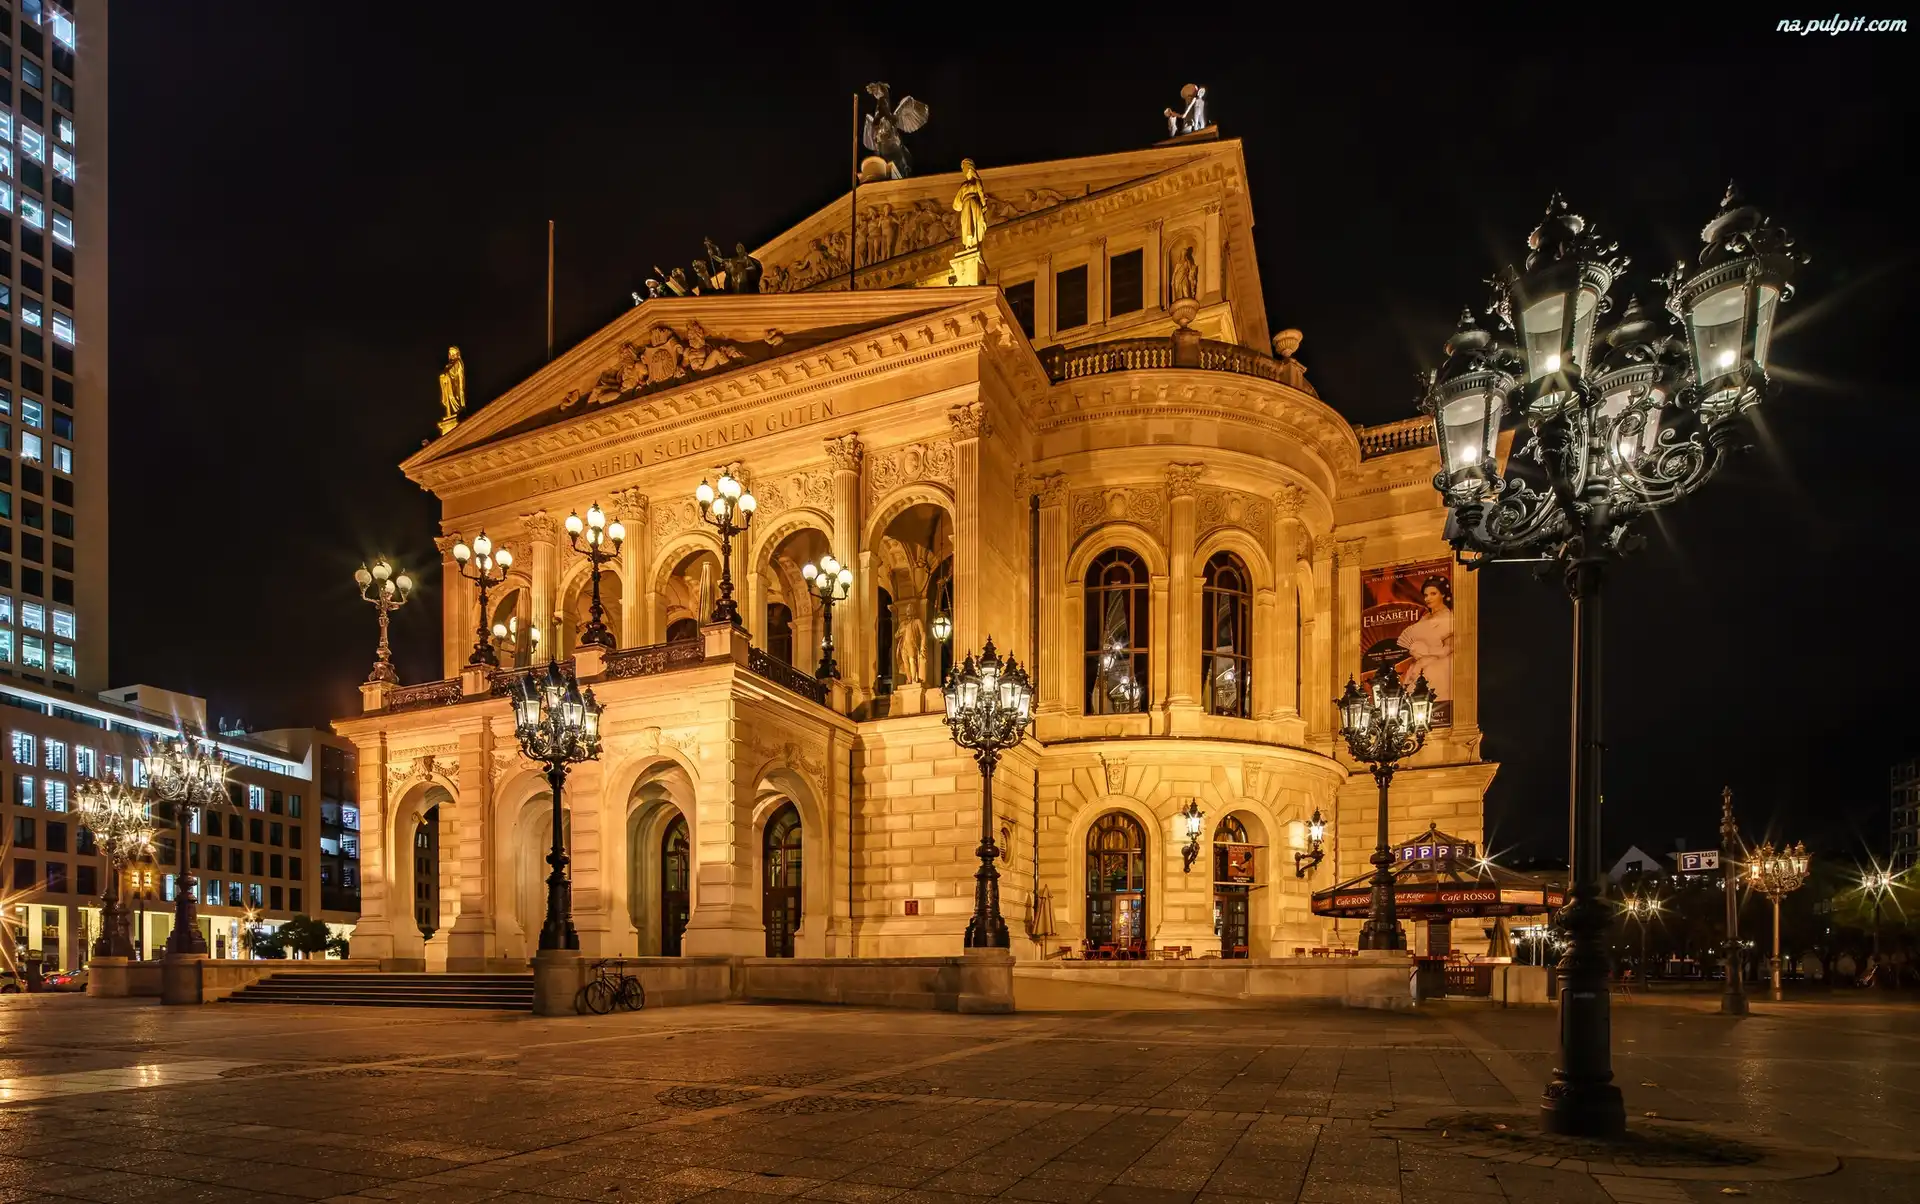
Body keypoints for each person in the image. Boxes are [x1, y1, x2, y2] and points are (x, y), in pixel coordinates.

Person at [1396, 575, 1454, 701]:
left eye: (1433, 594)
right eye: (1426, 595)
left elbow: (1449, 647)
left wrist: (1428, 654)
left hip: (1437, 665)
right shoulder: (1425, 618)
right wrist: (1415, 651)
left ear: (1443, 595)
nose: (1428, 598)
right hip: (1419, 665)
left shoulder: (1448, 618)